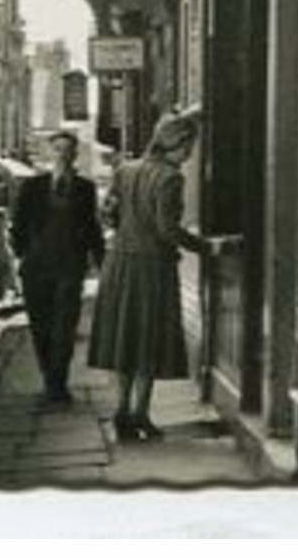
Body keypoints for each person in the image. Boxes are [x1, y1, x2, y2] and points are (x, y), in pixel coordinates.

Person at [87, 112, 237, 441]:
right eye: (189, 146)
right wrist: (208, 247)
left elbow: (108, 213)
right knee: (146, 343)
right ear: (177, 143)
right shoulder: (171, 178)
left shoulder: (125, 170)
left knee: (126, 342)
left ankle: (123, 411)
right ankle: (140, 414)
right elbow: (167, 230)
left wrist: (127, 231)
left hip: (119, 263)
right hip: (151, 268)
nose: (191, 154)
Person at [12, 129, 105, 403]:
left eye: (68, 150)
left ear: (75, 155)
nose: (63, 155)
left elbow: (92, 228)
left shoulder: (85, 189)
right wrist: (23, 255)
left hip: (69, 267)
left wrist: (101, 263)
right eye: (58, 150)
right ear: (50, 153)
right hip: (36, 268)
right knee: (41, 326)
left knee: (65, 327)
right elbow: (18, 225)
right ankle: (49, 378)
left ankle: (58, 384)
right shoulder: (32, 187)